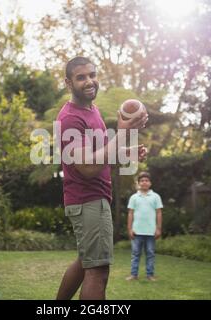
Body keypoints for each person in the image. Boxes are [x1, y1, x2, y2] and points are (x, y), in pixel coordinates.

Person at [55, 57, 148, 300]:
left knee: (86, 262)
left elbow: (100, 155)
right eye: (81, 77)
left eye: (92, 75)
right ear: (68, 83)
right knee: (97, 271)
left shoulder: (92, 111)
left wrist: (127, 151)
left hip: (93, 199)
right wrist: (124, 132)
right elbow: (87, 167)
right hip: (88, 199)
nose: (90, 81)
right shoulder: (69, 119)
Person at [126, 171, 163, 282]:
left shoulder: (156, 197)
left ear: (150, 183)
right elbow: (130, 213)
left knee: (150, 254)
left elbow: (159, 213)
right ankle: (133, 275)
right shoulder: (134, 197)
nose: (144, 182)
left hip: (151, 232)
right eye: (142, 181)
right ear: (138, 183)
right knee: (135, 254)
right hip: (137, 231)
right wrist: (129, 229)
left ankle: (150, 275)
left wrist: (158, 228)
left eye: (146, 180)